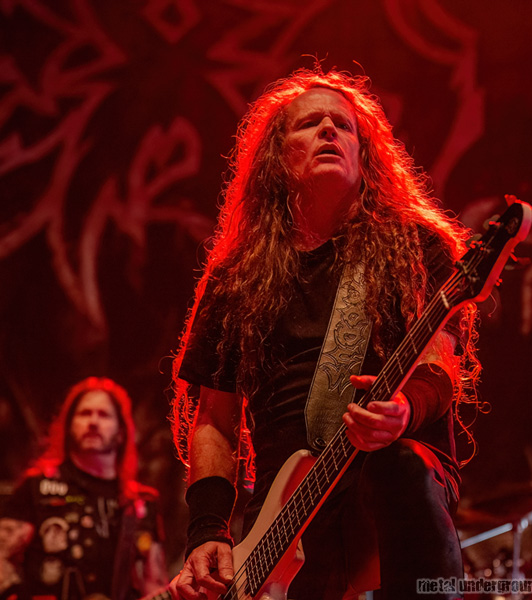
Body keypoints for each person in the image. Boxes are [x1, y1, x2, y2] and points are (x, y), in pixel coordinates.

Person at [170, 67, 480, 600]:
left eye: (344, 125)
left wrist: (404, 410)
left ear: (365, 155)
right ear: (277, 157)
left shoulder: (413, 247)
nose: (330, 130)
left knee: (401, 464)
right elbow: (215, 422)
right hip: (282, 521)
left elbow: (439, 363)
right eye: (310, 123)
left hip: (388, 489)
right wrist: (207, 530)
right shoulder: (237, 279)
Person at [0, 376, 168, 600]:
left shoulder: (141, 503)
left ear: (121, 432)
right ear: (69, 426)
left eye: (104, 415)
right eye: (85, 413)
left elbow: (154, 582)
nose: (93, 422)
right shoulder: (37, 487)